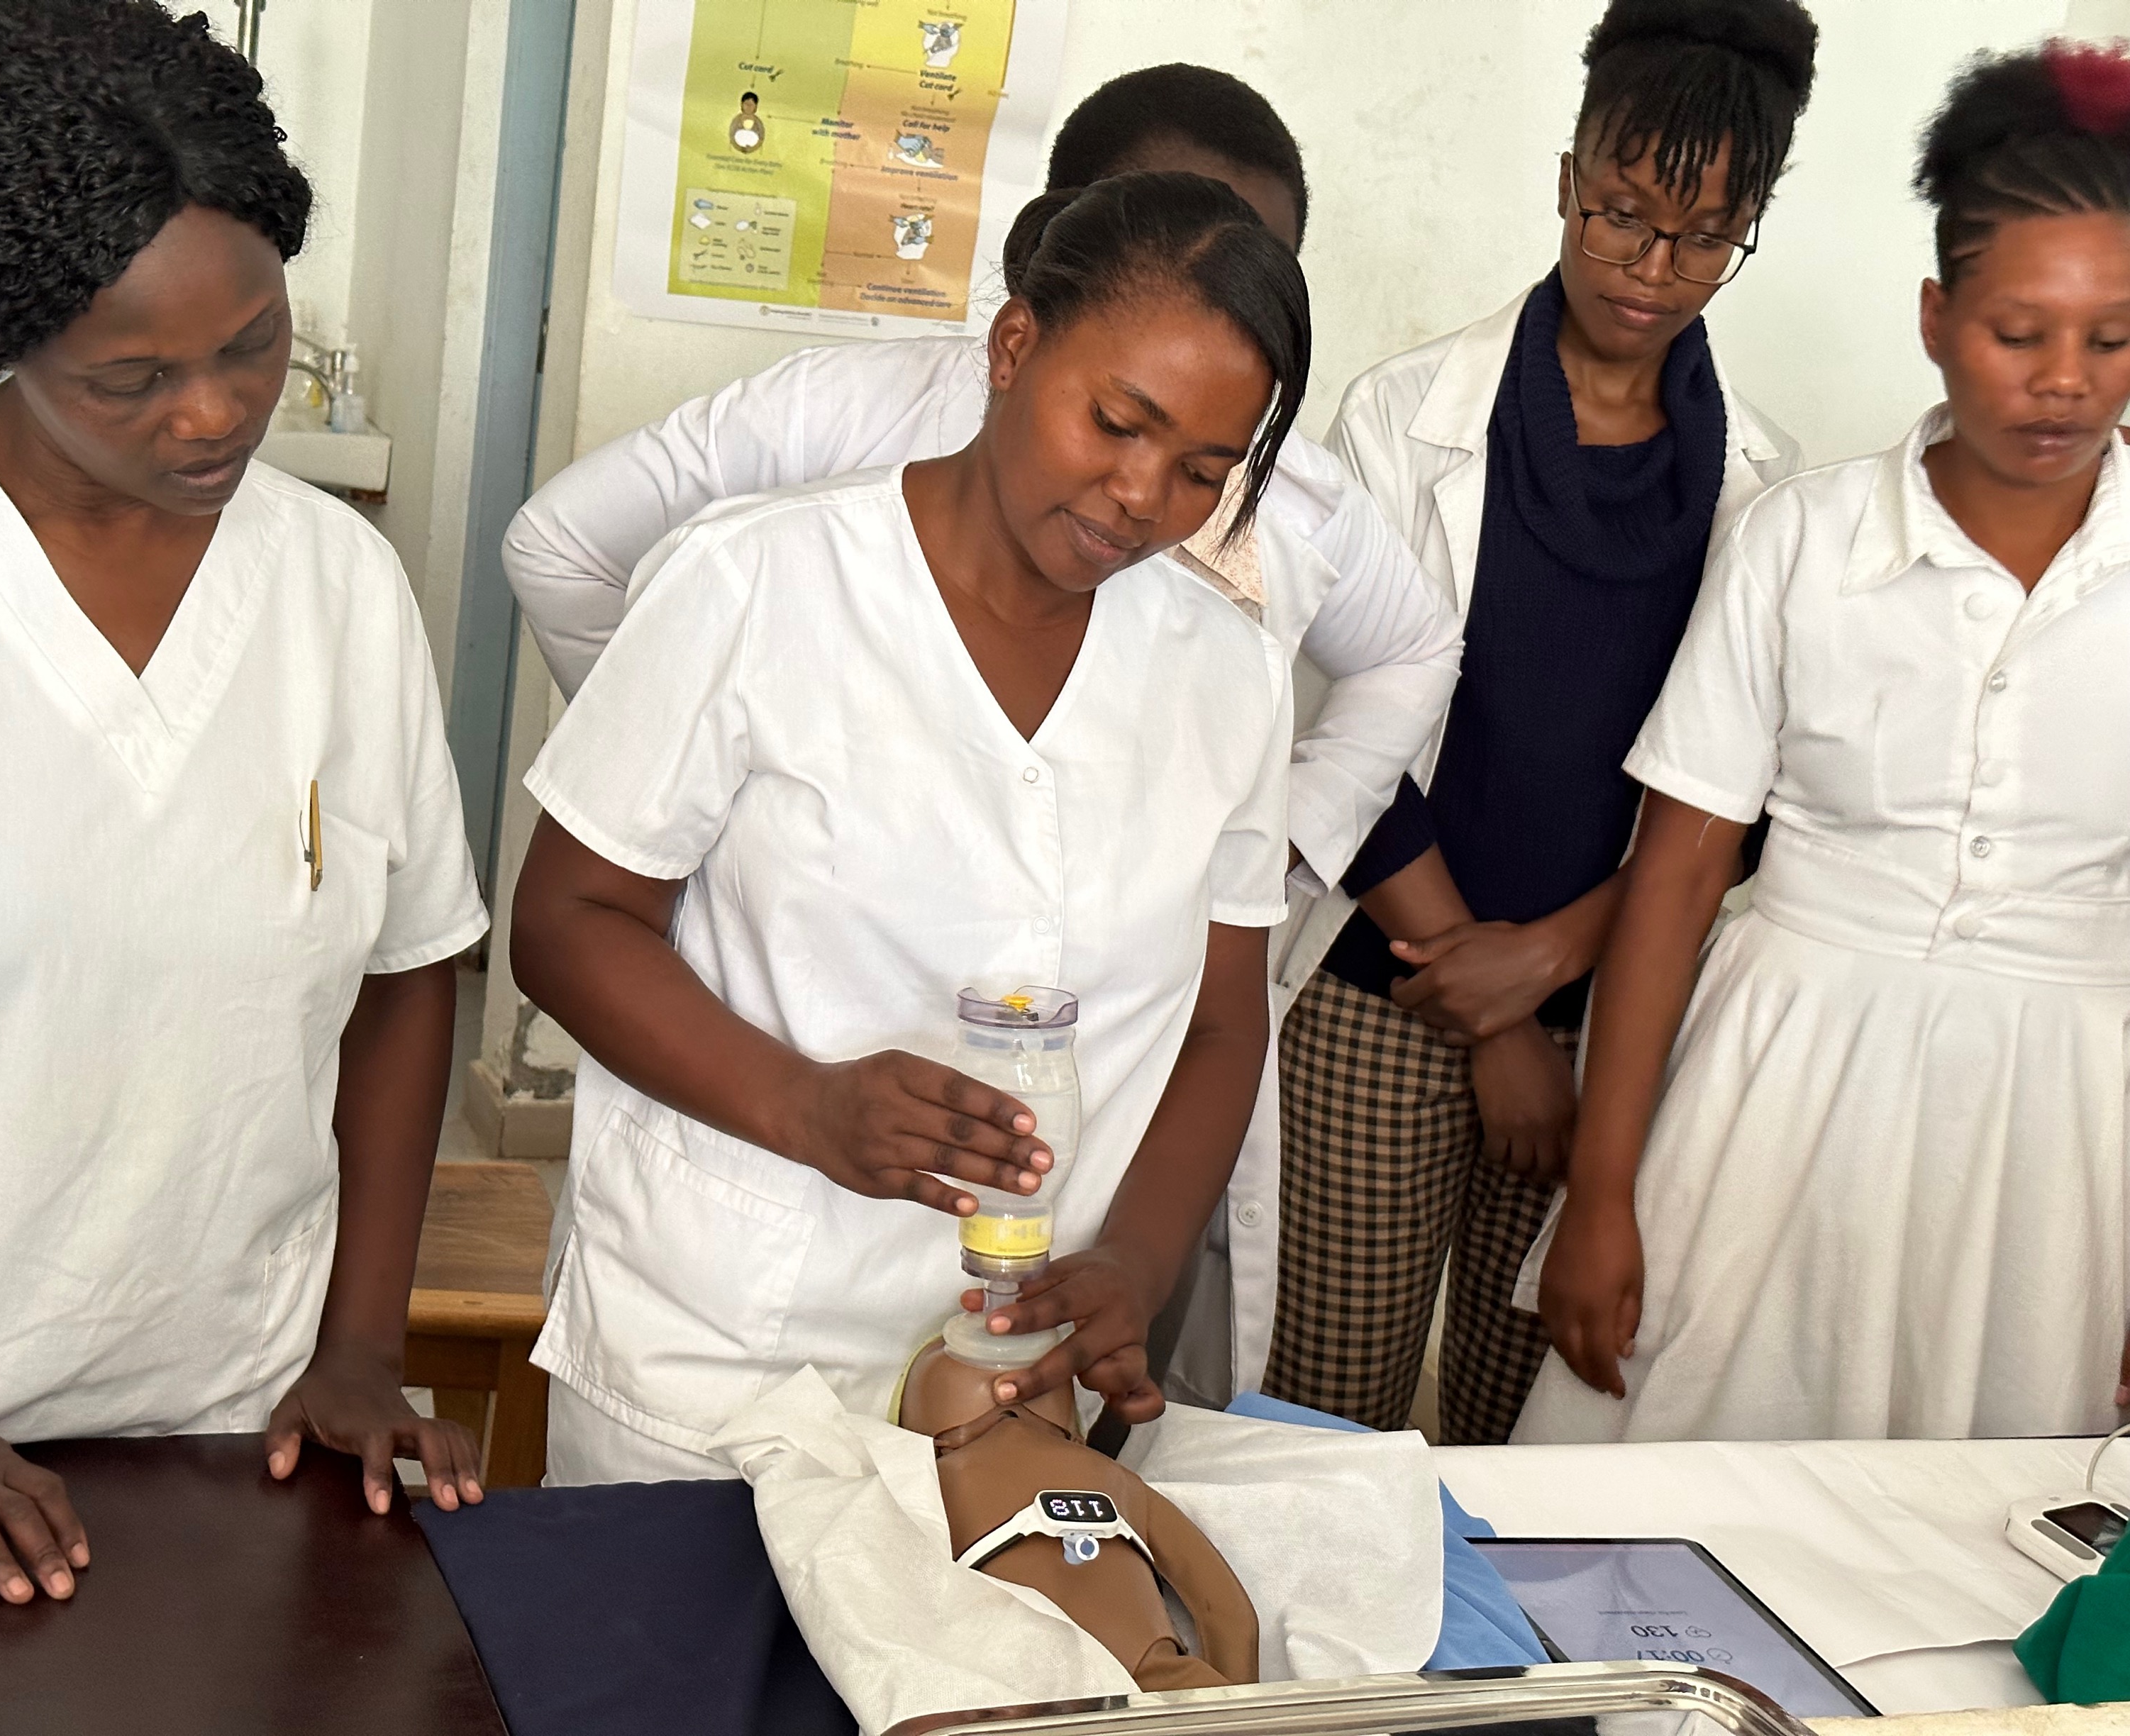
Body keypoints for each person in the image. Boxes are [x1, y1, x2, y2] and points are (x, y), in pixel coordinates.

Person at [504, 65, 1463, 1400]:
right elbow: (564, 924)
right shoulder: (760, 579)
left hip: (1011, 1361)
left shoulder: (1222, 673)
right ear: (1013, 351)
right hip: (723, 1345)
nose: (1141, 497)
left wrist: (1132, 1259)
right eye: (1116, 424)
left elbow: (1218, 1028)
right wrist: (807, 1104)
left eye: (1204, 471)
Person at [0, 0, 489, 1605]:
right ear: (0, 337)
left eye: (253, 343)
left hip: (227, 1438)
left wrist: (360, 1347)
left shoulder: (337, 584)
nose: (213, 414)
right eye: (130, 377)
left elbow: (407, 978)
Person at [1521, 40, 2130, 1444]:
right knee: (1675, 1485)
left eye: (2111, 340)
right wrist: (1604, 1192)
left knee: (1976, 1538)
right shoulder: (1804, 540)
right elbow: (1678, 875)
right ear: (1935, 315)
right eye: (2017, 332)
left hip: (2061, 1129)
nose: (2065, 384)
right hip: (1776, 1090)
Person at [1268, 0, 1818, 1446]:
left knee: (1529, 1443)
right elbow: (1336, 718)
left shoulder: (1767, 487)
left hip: (1608, 1025)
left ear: (1749, 227)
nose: (1653, 266)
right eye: (1624, 213)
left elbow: (1737, 800)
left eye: (1705, 236)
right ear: (1569, 175)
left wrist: (1552, 974)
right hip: (1383, 989)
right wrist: (1478, 992)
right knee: (1327, 1421)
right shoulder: (1405, 418)